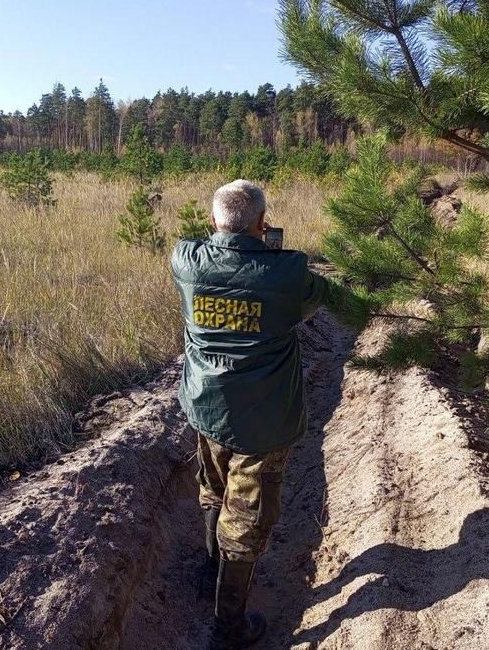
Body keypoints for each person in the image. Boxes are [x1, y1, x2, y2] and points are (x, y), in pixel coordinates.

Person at [170, 179, 338, 649]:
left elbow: (209, 250)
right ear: (263, 225)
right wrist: (268, 252)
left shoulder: (186, 260)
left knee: (212, 488)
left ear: (212, 223)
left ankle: (210, 573)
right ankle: (229, 629)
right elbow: (311, 301)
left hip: (205, 405)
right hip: (262, 423)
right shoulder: (286, 273)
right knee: (245, 521)